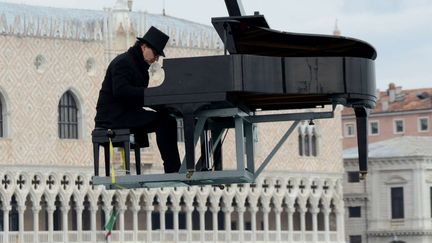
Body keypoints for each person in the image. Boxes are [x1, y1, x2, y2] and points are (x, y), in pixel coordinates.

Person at [94, 26, 181, 173]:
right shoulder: (123, 62)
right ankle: (173, 169)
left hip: (126, 114)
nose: (156, 59)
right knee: (165, 121)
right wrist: (150, 94)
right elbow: (121, 91)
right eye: (155, 53)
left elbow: (140, 99)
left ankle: (174, 168)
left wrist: (164, 106)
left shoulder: (141, 69)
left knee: (167, 118)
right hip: (113, 118)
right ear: (144, 46)